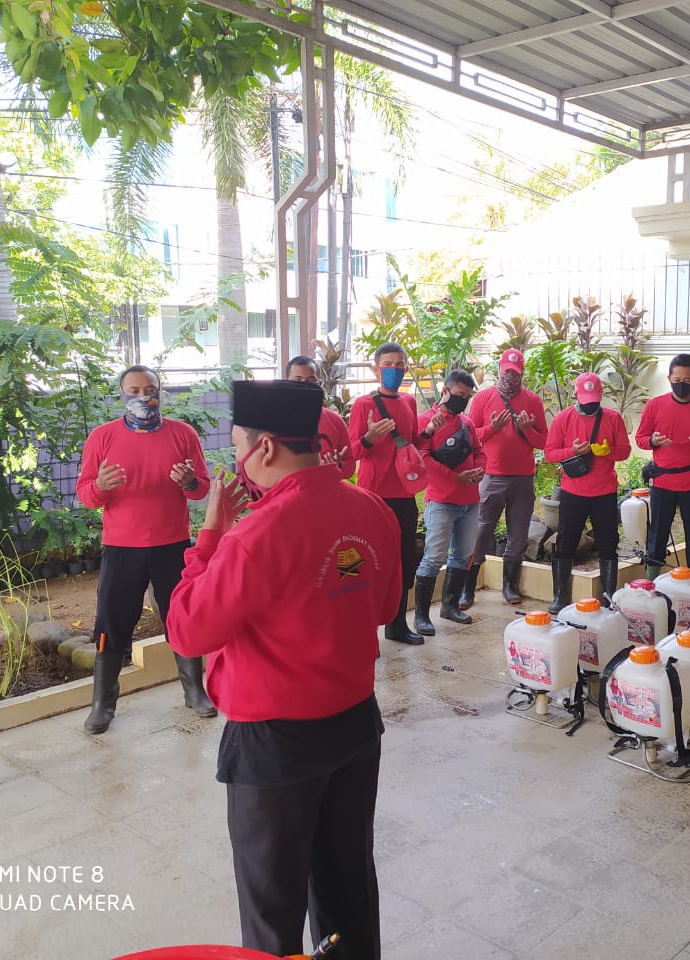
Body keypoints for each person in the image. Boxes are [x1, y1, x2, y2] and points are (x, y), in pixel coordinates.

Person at [166, 380, 399, 960]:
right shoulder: (371, 509)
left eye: (238, 444)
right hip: (354, 727)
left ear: (264, 447)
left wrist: (210, 534)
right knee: (348, 888)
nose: (237, 458)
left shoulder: (255, 533)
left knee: (272, 911)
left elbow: (187, 631)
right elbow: (383, 608)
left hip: (276, 747)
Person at [76, 365, 213, 735]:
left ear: (160, 391)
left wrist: (190, 482)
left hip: (172, 545)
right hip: (122, 548)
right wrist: (101, 486)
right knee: (111, 623)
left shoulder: (183, 434)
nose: (143, 396)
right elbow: (85, 495)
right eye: (134, 390)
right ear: (122, 394)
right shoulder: (102, 437)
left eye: (150, 389)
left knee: (182, 616)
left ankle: (194, 691)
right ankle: (103, 704)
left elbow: (201, 489)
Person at [349, 343, 423, 645]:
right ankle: (364, 631)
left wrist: (431, 431)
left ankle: (397, 624)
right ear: (375, 369)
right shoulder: (363, 405)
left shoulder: (409, 402)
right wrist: (370, 437)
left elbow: (414, 442)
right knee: (369, 560)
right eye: (388, 364)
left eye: (400, 364)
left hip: (405, 493)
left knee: (404, 559)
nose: (395, 369)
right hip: (373, 495)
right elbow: (352, 452)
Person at [464, 348, 548, 607]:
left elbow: (544, 441)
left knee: (518, 535)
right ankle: (467, 587)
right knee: (481, 531)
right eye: (507, 372)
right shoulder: (483, 398)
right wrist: (493, 428)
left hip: (523, 478)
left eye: (516, 373)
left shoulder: (532, 400)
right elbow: (469, 436)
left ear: (522, 373)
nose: (510, 377)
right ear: (499, 369)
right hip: (491, 476)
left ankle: (509, 586)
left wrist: (526, 430)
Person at [543, 373, 631, 614]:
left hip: (604, 491)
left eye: (593, 399)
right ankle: (560, 595)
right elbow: (550, 454)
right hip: (573, 491)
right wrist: (571, 451)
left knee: (608, 543)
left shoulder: (613, 418)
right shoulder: (563, 419)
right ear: (576, 395)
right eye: (585, 399)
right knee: (565, 542)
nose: (589, 404)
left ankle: (608, 595)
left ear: (600, 395)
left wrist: (608, 451)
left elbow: (625, 451)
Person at [634, 353, 690, 577]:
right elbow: (640, 438)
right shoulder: (654, 405)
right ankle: (651, 580)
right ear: (669, 378)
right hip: (662, 480)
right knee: (657, 532)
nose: (681, 384)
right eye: (677, 380)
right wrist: (653, 441)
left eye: (687, 381)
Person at [414, 371, 486, 635]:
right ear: (445, 391)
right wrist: (454, 477)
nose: (463, 400)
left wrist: (479, 470)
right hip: (441, 501)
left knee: (463, 555)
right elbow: (422, 456)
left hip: (470, 501)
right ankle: (422, 616)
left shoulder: (467, 423)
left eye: (467, 396)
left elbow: (479, 451)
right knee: (434, 557)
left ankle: (450, 606)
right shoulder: (426, 421)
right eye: (459, 395)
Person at [285, 355, 355, 481]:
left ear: (319, 384)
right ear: (286, 383)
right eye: (298, 380)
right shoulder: (273, 420)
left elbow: (350, 467)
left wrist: (337, 465)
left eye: (311, 380)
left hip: (326, 490)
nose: (304, 385)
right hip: (288, 491)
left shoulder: (334, 420)